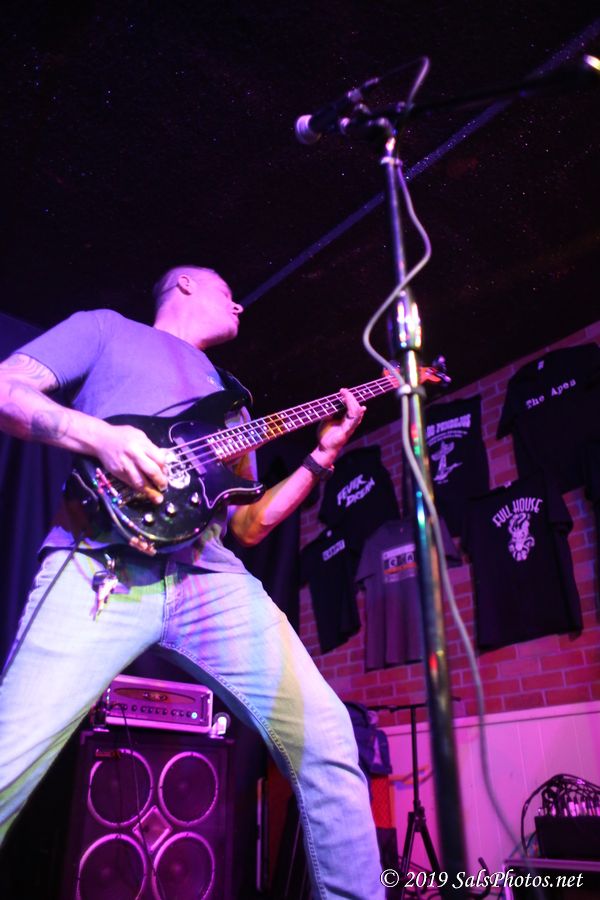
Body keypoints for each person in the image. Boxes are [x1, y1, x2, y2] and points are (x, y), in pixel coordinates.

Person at [0, 266, 385, 899]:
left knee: (329, 738)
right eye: (226, 291)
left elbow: (250, 525)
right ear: (183, 286)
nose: (240, 305)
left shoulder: (232, 402)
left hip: (211, 578)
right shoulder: (107, 330)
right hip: (100, 562)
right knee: (9, 759)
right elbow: (9, 388)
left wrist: (322, 457)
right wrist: (99, 436)